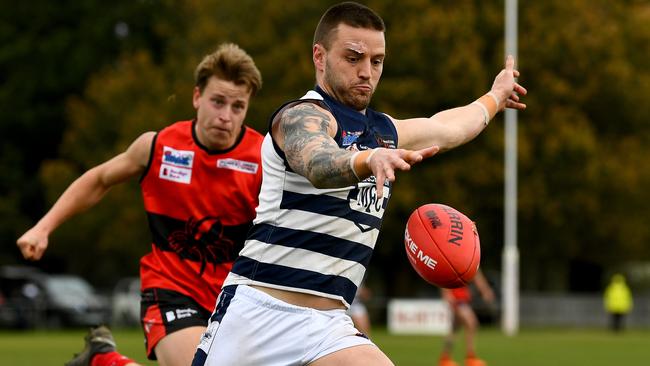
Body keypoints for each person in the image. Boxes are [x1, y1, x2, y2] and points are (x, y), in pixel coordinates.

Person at [192, 2, 526, 365]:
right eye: (353, 58)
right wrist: (366, 159)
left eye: (377, 61)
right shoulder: (301, 115)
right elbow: (318, 161)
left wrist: (494, 97)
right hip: (259, 315)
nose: (367, 71)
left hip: (327, 325)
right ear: (319, 57)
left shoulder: (383, 132)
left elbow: (448, 127)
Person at [16, 43, 264, 366]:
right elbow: (99, 179)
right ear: (196, 97)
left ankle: (104, 361)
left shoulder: (263, 158)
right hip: (171, 289)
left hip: (235, 297)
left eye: (237, 107)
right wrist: (43, 228)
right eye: (217, 102)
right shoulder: (158, 146)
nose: (225, 116)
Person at [438, 270, 495, 366]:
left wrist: (485, 290)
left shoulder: (468, 260)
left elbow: (477, 275)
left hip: (462, 298)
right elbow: (444, 273)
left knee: (454, 329)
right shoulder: (454, 260)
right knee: (472, 323)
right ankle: (470, 357)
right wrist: (446, 294)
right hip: (457, 300)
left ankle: (445, 358)